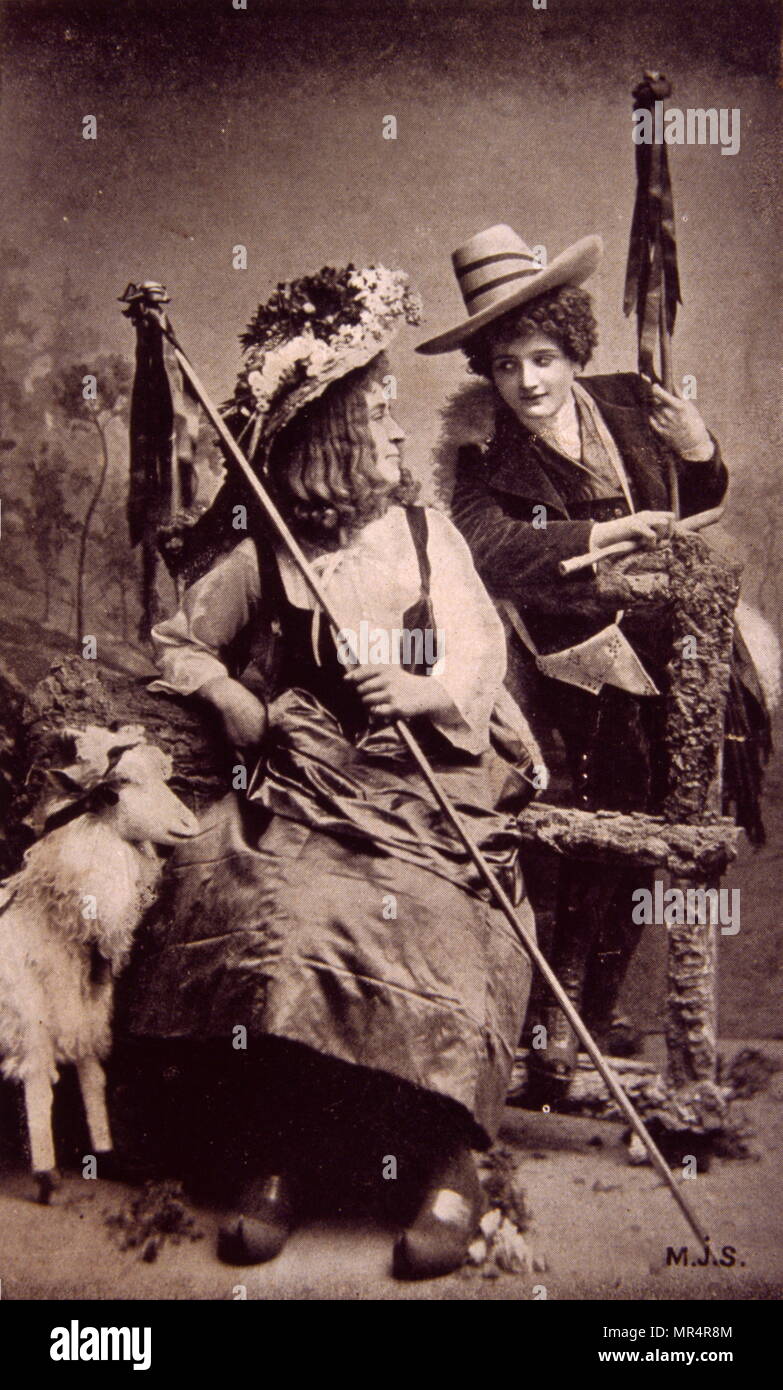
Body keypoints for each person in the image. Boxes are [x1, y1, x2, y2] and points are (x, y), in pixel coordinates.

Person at [124, 264, 539, 1279]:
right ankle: (286, 1155)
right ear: (332, 439)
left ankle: (451, 1161)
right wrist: (232, 698)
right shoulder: (265, 550)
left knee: (434, 914)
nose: (400, 434)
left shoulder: (423, 532)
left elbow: (483, 656)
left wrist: (427, 691)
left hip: (428, 775)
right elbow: (177, 640)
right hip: (311, 775)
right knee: (288, 903)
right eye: (380, 416)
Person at [416, 224, 730, 1086]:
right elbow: (487, 545)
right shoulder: (480, 445)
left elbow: (696, 503)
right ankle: (544, 1019)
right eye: (508, 363)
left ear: (574, 347)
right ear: (486, 367)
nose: (528, 382)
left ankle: (599, 1002)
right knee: (579, 820)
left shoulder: (631, 399)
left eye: (545, 357)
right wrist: (598, 536)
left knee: (661, 816)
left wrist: (698, 450)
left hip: (663, 645)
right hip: (560, 651)